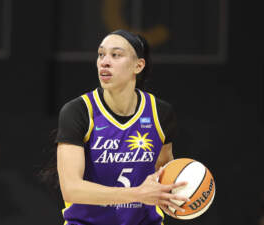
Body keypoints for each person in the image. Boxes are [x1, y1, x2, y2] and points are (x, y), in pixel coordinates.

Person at [53, 29, 187, 225]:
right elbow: (71, 189)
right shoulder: (78, 111)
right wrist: (137, 194)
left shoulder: (160, 113)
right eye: (101, 54)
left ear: (138, 65)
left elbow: (165, 173)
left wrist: (179, 193)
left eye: (116, 55)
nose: (104, 61)